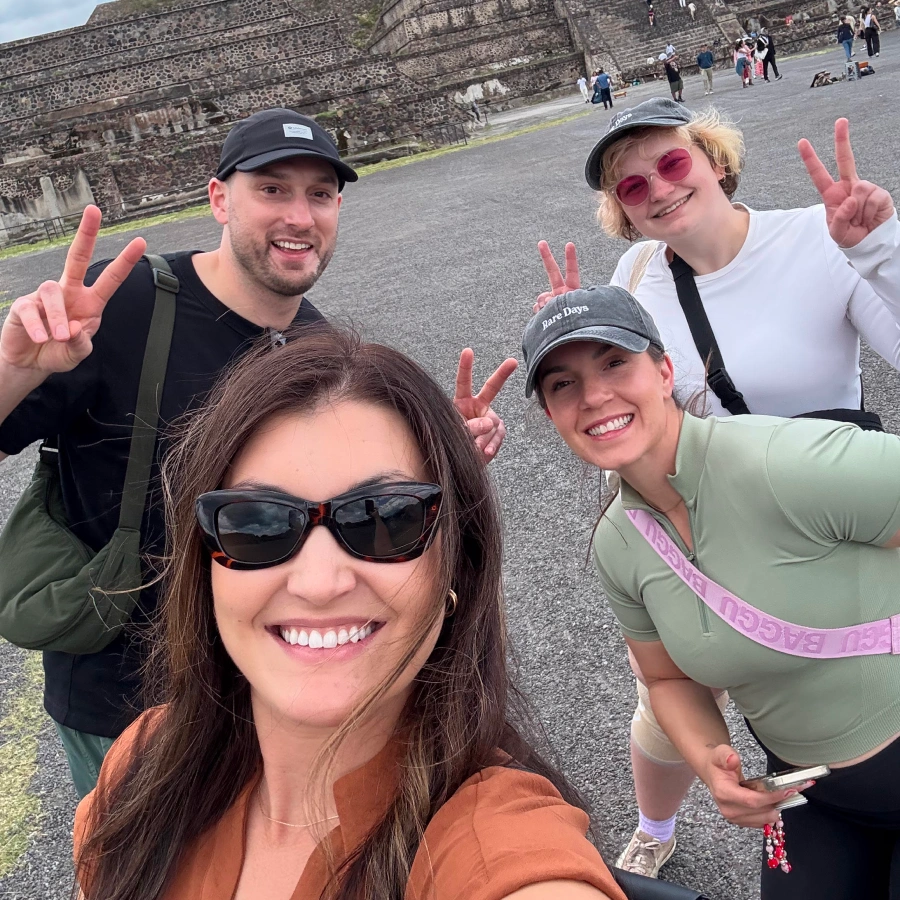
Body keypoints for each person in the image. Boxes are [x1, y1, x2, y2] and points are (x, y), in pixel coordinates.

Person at [0, 110, 512, 799]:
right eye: (273, 189)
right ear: (219, 198)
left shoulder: (316, 345)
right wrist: (18, 369)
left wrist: (432, 460)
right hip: (121, 698)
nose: (300, 216)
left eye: (320, 194)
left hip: (260, 687)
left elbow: (333, 509)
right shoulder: (122, 307)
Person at [74, 326, 627, 900]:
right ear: (205, 565)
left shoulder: (496, 846)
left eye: (386, 518)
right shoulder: (140, 766)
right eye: (256, 524)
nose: (319, 583)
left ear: (457, 565)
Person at [532, 98, 900, 877]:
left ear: (715, 160)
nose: (658, 190)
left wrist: (879, 253)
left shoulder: (815, 236)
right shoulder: (636, 275)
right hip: (696, 517)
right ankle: (657, 828)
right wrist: (568, 330)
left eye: (671, 164)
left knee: (845, 663)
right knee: (668, 700)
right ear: (622, 213)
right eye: (632, 188)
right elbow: (616, 384)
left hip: (822, 502)